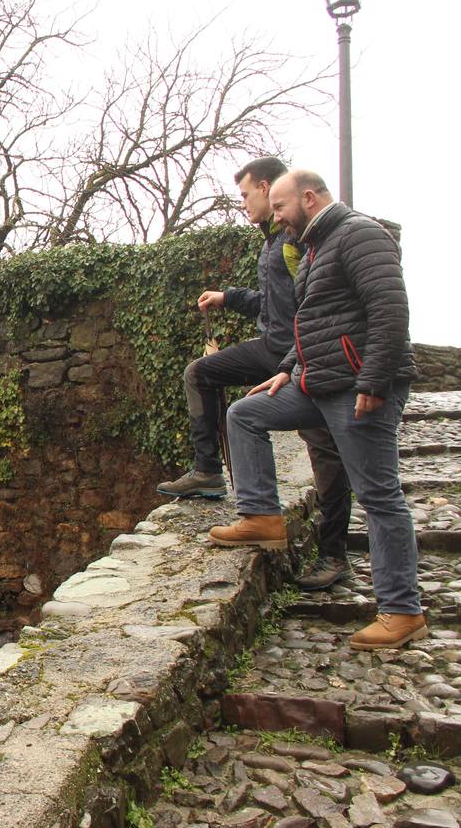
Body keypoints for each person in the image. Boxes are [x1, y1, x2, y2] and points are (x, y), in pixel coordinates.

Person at [209, 169, 422, 650]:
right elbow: (311, 323)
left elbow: (390, 310)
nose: (276, 216)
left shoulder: (360, 234)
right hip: (317, 380)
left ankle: (403, 610)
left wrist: (374, 379)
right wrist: (286, 367)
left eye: (281, 207)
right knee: (246, 414)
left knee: (379, 495)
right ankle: (262, 517)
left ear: (308, 197)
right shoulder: (313, 248)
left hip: (356, 386)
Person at [155, 158, 352, 590]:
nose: (244, 204)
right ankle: (209, 472)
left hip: (299, 354)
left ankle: (334, 554)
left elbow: (315, 299)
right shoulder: (272, 241)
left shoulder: (297, 238)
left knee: (325, 451)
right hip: (276, 350)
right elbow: (273, 299)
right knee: (201, 374)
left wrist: (304, 362)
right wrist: (229, 297)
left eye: (246, 195)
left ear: (266, 188)